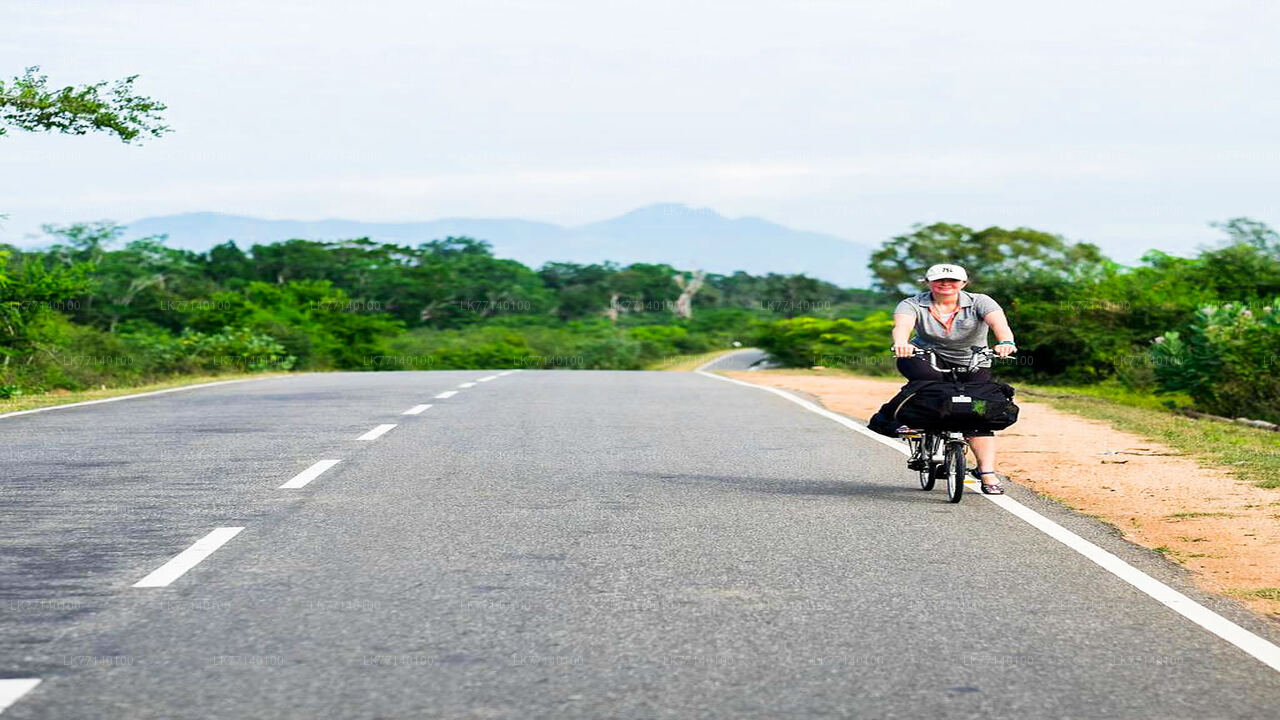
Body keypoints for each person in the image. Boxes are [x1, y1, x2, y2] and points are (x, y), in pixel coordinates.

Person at [891, 263, 1017, 494]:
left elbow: (999, 324)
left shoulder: (980, 301)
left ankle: (987, 473)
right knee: (929, 384)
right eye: (939, 280)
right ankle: (915, 420)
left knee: (979, 411)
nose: (945, 284)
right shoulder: (912, 304)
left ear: (963, 284)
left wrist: (1005, 343)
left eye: (953, 281)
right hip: (925, 357)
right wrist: (902, 343)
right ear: (928, 282)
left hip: (974, 360)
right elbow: (903, 326)